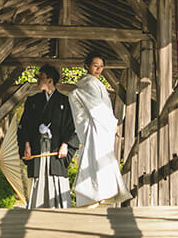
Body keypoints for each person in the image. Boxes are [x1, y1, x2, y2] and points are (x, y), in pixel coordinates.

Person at [69, 53, 130, 206]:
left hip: (101, 127)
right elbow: (96, 108)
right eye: (95, 65)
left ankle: (98, 195)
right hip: (96, 127)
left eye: (101, 66)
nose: (98, 69)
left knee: (98, 160)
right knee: (97, 159)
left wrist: (110, 123)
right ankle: (97, 194)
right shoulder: (89, 84)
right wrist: (113, 123)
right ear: (87, 66)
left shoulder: (93, 83)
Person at [17, 64, 79, 208]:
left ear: (50, 81)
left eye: (41, 78)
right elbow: (24, 126)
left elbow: (73, 127)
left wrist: (66, 144)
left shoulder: (65, 101)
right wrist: (26, 144)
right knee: (37, 177)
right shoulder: (32, 101)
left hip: (56, 148)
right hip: (37, 147)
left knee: (55, 178)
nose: (38, 81)